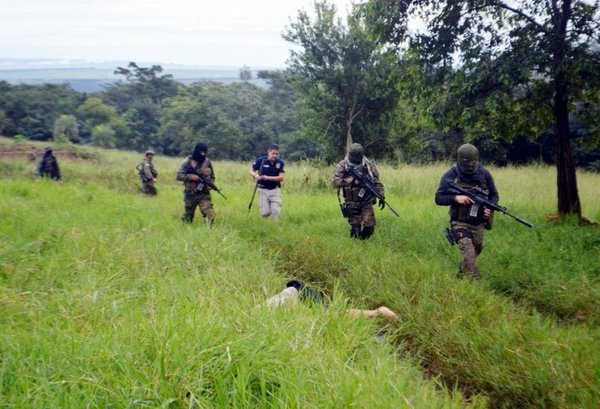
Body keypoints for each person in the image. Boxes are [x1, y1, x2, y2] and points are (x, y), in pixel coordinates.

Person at [435, 143, 499, 280]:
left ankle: (459, 277)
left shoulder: (484, 173)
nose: (470, 164)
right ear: (460, 159)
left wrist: (490, 207)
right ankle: (477, 284)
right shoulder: (450, 175)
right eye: (467, 161)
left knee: (477, 249)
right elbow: (438, 198)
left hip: (478, 223)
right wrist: (456, 198)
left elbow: (494, 195)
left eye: (473, 161)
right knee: (469, 252)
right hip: (459, 222)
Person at [331, 143, 385, 240]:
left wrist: (381, 196)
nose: (356, 161)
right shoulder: (343, 165)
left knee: (369, 227)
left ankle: (362, 242)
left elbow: (376, 182)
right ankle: (357, 245)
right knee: (355, 229)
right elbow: (335, 182)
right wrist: (351, 181)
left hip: (366, 200)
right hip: (351, 201)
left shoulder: (368, 166)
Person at [176, 143, 216, 226]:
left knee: (210, 214)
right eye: (201, 152)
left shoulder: (207, 161)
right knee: (188, 217)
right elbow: (179, 176)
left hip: (204, 193)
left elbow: (212, 176)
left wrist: (210, 184)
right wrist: (191, 177)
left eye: (205, 152)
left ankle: (210, 231)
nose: (203, 154)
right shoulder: (187, 161)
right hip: (190, 193)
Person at [249, 145, 285, 221]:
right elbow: (251, 170)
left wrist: (267, 177)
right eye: (273, 153)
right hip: (263, 190)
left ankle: (276, 227)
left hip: (275, 190)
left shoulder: (280, 163)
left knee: (275, 211)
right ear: (268, 152)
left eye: (277, 154)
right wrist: (255, 175)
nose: (275, 155)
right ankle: (264, 225)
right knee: (265, 213)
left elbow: (281, 178)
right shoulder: (261, 160)